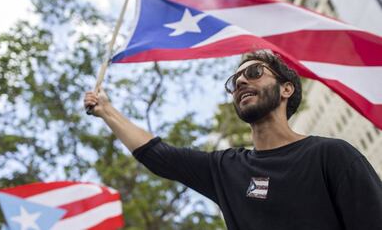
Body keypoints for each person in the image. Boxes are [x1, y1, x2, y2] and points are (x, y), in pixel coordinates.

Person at [84, 50, 382, 230]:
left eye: (254, 72)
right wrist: (107, 110)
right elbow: (158, 155)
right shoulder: (225, 169)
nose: (240, 81)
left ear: (286, 89)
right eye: (234, 80)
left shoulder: (331, 155)